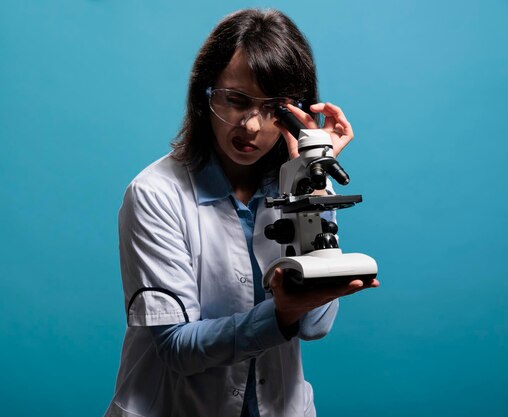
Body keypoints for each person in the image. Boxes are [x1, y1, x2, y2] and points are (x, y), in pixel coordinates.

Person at [105, 8, 379, 417]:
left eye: (274, 108)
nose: (251, 126)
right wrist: (282, 312)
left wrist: (312, 177)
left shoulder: (304, 188)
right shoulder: (154, 194)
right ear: (206, 94)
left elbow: (315, 326)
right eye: (236, 101)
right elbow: (176, 348)